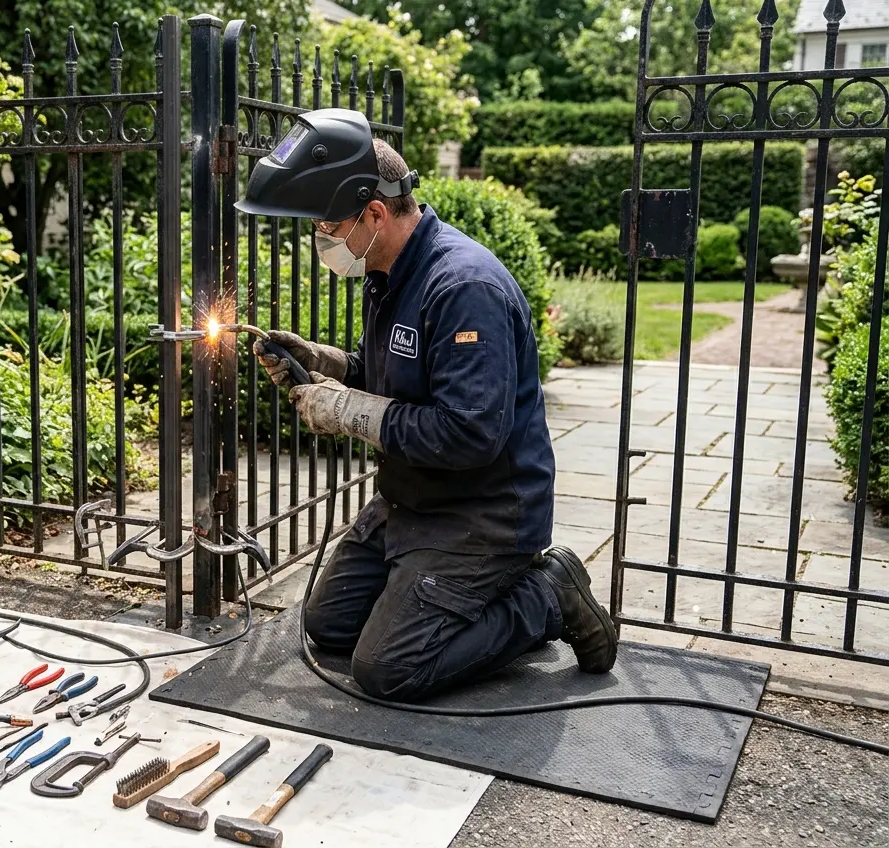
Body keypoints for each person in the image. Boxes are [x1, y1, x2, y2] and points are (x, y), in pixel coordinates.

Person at [234, 108, 618, 701]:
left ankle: (546, 595)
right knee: (327, 626)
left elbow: (469, 433)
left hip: (483, 514)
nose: (322, 238)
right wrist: (320, 361)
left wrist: (344, 412)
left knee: (388, 671)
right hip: (412, 498)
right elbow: (382, 374)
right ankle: (442, 597)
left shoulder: (464, 289)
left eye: (327, 226)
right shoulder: (388, 275)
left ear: (375, 214)